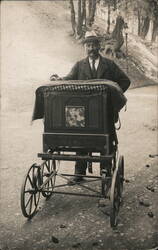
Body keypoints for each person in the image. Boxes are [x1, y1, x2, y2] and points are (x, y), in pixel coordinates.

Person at [50, 31, 131, 184]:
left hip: (104, 113)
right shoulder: (79, 65)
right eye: (88, 45)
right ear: (85, 48)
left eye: (94, 45)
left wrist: (114, 97)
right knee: (80, 140)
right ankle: (79, 173)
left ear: (99, 46)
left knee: (105, 141)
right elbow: (69, 79)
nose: (91, 48)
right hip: (83, 113)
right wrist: (58, 79)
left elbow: (125, 81)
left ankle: (105, 173)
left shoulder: (109, 65)